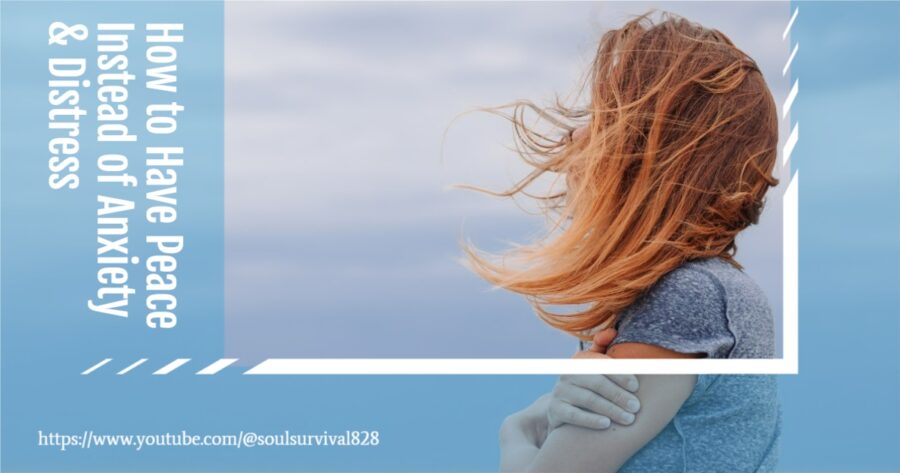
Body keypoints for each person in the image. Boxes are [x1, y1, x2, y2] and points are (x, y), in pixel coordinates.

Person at [463, 12, 781, 473]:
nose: (576, 134)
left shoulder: (686, 296)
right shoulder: (715, 290)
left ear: (654, 149)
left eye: (603, 116)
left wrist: (516, 430)